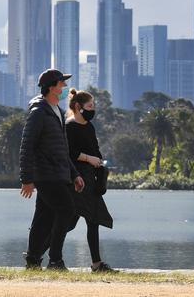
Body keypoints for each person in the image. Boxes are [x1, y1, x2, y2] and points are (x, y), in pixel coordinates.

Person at [19, 69, 85, 271]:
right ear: (51, 87)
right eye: (61, 83)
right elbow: (27, 145)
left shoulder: (55, 110)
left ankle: (33, 260)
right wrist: (27, 179)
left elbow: (62, 149)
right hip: (46, 174)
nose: (64, 87)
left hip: (58, 173)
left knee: (42, 217)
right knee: (67, 210)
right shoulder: (39, 112)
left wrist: (74, 174)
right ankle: (55, 260)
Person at [65, 89, 117, 273]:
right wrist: (88, 159)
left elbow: (95, 149)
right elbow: (69, 154)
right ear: (78, 107)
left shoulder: (89, 126)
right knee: (69, 222)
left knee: (92, 220)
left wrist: (100, 164)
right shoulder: (69, 127)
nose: (92, 109)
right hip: (77, 178)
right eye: (89, 106)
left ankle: (96, 263)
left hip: (91, 178)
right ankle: (39, 254)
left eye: (93, 106)